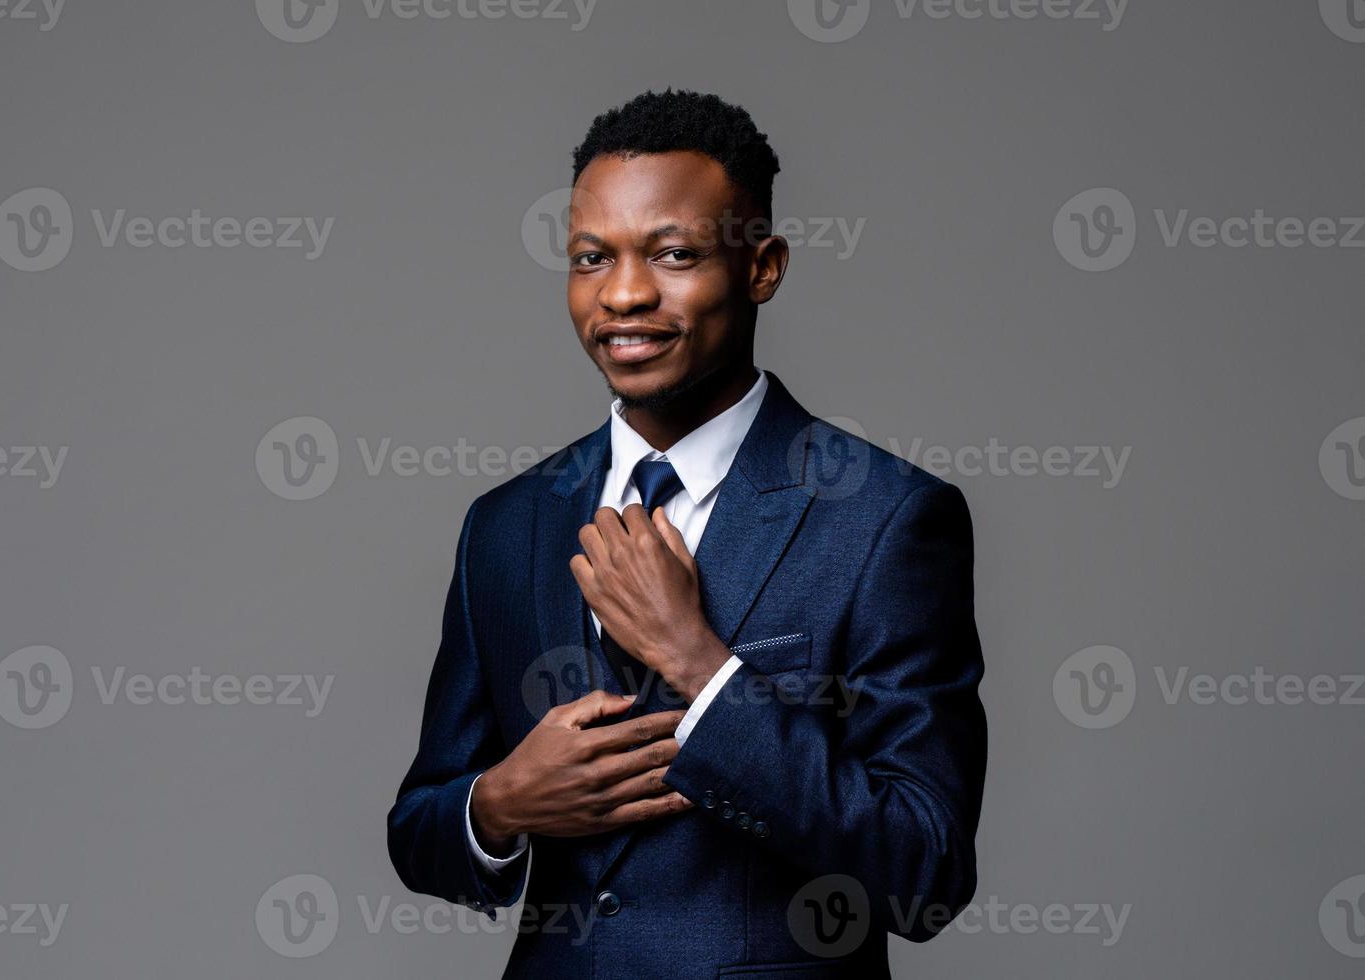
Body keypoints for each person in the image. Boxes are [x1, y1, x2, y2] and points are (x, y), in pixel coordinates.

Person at [388, 88, 987, 979]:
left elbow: (925, 872)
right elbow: (419, 831)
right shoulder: (507, 526)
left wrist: (702, 668)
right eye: (592, 257)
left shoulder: (884, 519)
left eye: (673, 254)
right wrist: (500, 804)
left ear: (762, 268)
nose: (625, 294)